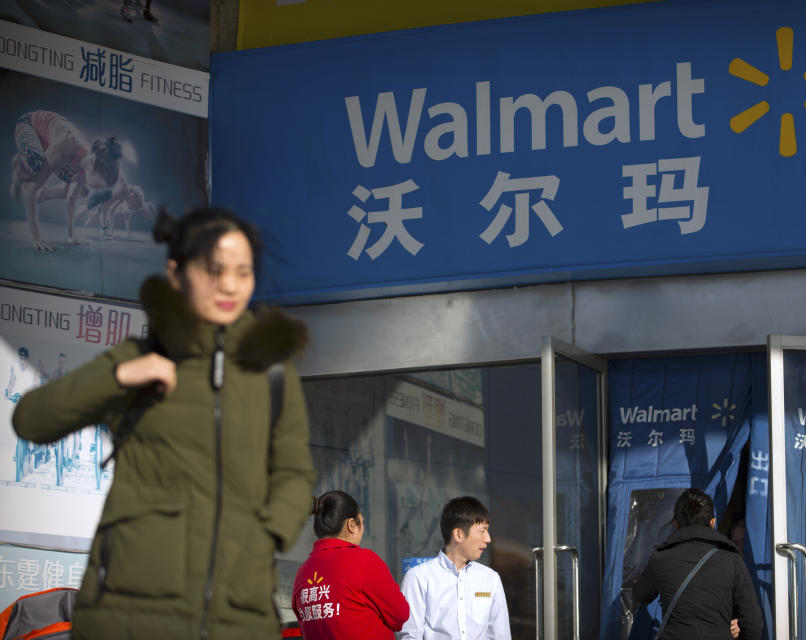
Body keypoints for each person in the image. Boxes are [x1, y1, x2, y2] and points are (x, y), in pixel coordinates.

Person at [12, 207, 316, 639]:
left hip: (238, 616)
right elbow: (31, 420)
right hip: (129, 613)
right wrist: (118, 377)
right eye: (215, 270)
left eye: (243, 272)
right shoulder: (138, 359)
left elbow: (294, 471)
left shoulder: (270, 373)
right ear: (176, 274)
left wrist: (267, 533)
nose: (230, 285)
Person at [632, 488, 762, 640]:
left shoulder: (660, 558)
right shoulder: (732, 560)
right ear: (712, 522)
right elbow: (753, 624)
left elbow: (641, 594)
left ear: (676, 523)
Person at [292, 490, 409, 639]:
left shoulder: (302, 573)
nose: (363, 528)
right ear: (352, 524)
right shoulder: (364, 561)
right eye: (362, 522)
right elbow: (400, 614)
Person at [399, 496, 511, 640]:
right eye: (482, 531)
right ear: (458, 534)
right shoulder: (418, 578)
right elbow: (410, 636)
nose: (488, 538)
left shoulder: (491, 579)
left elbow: (501, 635)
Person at [10, 110, 123, 251]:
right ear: (92, 162)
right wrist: (36, 238)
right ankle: (19, 173)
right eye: (99, 185)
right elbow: (30, 188)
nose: (98, 190)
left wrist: (71, 237)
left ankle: (44, 191)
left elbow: (71, 199)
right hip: (29, 125)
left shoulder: (86, 166)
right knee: (34, 171)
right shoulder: (67, 145)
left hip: (51, 143)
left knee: (82, 192)